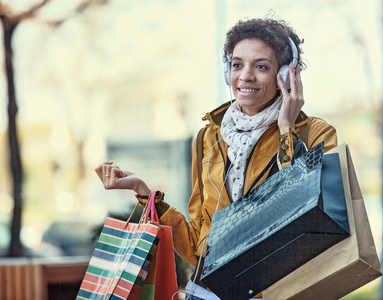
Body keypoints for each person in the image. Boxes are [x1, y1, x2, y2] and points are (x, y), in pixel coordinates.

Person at [95, 18, 337, 300]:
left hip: (277, 292)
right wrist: (145, 194)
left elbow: (312, 215)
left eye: (261, 66)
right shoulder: (209, 138)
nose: (245, 76)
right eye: (237, 64)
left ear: (285, 75)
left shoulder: (316, 134)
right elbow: (198, 245)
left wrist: (286, 130)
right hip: (207, 294)